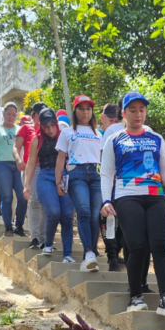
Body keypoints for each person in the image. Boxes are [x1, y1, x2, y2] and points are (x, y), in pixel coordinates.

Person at [100, 91, 165, 317]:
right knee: (137, 246)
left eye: (142, 110)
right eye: (133, 110)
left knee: (160, 247)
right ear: (123, 113)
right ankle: (135, 297)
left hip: (155, 197)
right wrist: (106, 200)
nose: (138, 114)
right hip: (127, 196)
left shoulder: (156, 138)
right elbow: (106, 174)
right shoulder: (114, 140)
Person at [55, 95, 103, 272]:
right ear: (75, 111)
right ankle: (89, 252)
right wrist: (58, 181)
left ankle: (87, 259)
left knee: (94, 216)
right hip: (76, 173)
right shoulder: (67, 132)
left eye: (88, 108)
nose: (85, 112)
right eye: (81, 108)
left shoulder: (100, 133)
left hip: (97, 174)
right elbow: (60, 159)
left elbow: (105, 159)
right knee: (83, 210)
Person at [25, 108, 76, 262]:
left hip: (64, 176)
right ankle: (47, 244)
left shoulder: (66, 136)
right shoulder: (37, 140)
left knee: (67, 214)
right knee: (53, 211)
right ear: (41, 126)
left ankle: (67, 254)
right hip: (46, 176)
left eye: (53, 125)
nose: (51, 129)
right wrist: (26, 184)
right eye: (46, 126)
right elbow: (31, 163)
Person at [0, 103, 27, 236]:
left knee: (23, 196)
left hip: (18, 164)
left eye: (13, 115)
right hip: (1, 164)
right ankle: (8, 226)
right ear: (3, 114)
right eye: (8, 114)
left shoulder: (20, 129)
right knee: (7, 196)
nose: (11, 117)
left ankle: (19, 226)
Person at [18, 103, 48, 249]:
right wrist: (18, 160)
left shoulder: (48, 130)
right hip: (32, 167)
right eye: (39, 113)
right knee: (34, 202)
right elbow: (15, 147)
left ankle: (43, 239)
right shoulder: (26, 128)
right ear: (34, 115)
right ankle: (35, 237)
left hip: (47, 168)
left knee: (44, 204)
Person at [98, 103, 124, 271]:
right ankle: (112, 256)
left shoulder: (143, 130)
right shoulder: (111, 131)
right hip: (112, 182)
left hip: (129, 185)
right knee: (109, 219)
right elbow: (103, 159)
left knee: (124, 221)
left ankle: (117, 251)